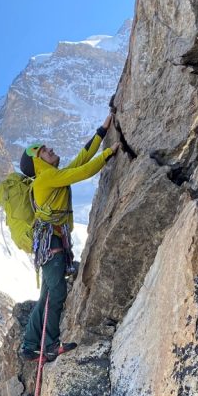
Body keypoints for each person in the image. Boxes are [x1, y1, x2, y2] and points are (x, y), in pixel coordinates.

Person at [20, 113, 119, 361]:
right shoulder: (46, 178)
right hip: (52, 245)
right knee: (56, 294)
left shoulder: (50, 177)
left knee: (46, 296)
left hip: (49, 245)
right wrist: (108, 154)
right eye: (44, 151)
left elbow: (79, 160)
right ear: (38, 162)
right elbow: (83, 171)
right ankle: (50, 345)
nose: (50, 150)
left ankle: (30, 346)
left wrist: (101, 132)